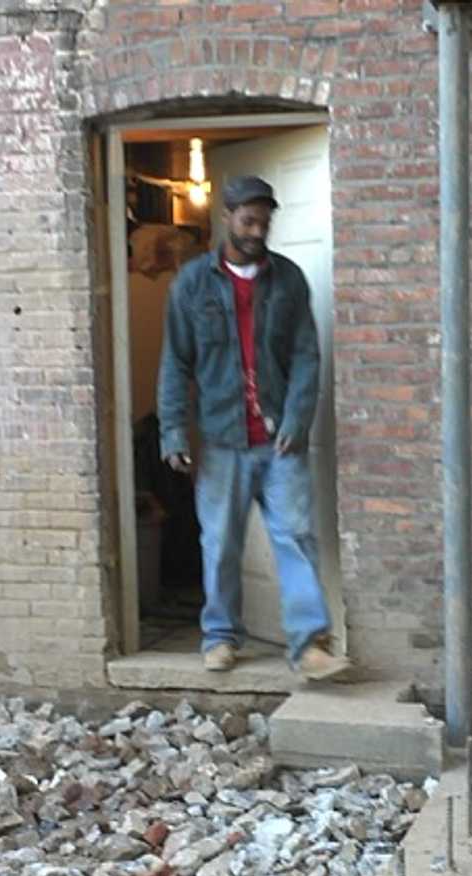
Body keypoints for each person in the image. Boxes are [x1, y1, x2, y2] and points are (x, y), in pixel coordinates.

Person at [158, 175, 350, 681]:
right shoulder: (193, 284)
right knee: (220, 543)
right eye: (248, 221)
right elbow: (176, 363)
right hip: (222, 441)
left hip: (279, 441)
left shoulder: (287, 280)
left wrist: (297, 416)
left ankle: (310, 644)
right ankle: (220, 636)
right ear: (226, 217)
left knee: (296, 538)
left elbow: (307, 355)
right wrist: (173, 432)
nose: (257, 230)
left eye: (265, 221)